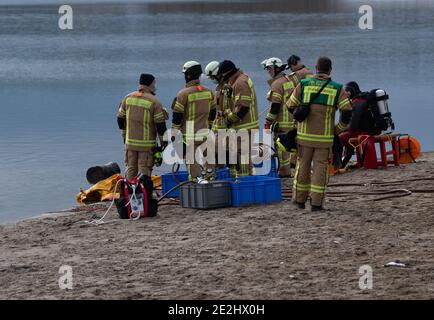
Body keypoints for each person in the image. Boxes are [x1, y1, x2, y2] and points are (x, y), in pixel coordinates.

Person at [288, 56, 352, 211]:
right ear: (330, 69)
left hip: (304, 137)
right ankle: (316, 204)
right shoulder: (337, 88)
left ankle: (299, 201)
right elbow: (347, 110)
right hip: (324, 138)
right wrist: (339, 128)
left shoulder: (304, 84)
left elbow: (290, 105)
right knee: (320, 170)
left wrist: (299, 122)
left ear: (316, 68)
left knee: (302, 167)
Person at [117, 73, 168, 179]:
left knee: (131, 168)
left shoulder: (128, 97)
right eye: (154, 83)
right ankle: (144, 194)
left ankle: (129, 193)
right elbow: (161, 126)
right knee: (144, 170)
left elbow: (120, 119)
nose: (155, 86)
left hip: (130, 143)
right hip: (146, 146)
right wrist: (164, 143)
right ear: (150, 84)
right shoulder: (154, 101)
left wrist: (124, 136)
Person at [172, 61, 216, 181]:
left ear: (188, 75)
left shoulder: (183, 94)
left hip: (189, 134)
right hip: (205, 131)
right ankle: (210, 181)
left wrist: (174, 133)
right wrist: (210, 126)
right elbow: (213, 113)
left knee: (191, 160)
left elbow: (177, 116)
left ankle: (196, 182)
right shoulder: (208, 92)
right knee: (209, 159)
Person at [216, 60, 259, 177]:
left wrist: (228, 119)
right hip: (244, 127)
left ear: (227, 73)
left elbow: (242, 108)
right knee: (242, 159)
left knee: (242, 158)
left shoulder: (240, 83)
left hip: (244, 128)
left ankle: (244, 185)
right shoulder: (241, 79)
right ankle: (246, 181)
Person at [261, 57, 297, 177]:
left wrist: (268, 121)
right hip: (291, 121)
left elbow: (275, 105)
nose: (268, 71)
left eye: (269, 69)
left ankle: (284, 174)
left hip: (281, 123)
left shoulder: (277, 84)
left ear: (277, 68)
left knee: (281, 151)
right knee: (287, 149)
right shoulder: (288, 80)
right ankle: (287, 172)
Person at [338, 81, 382, 168]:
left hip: (364, 132)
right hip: (372, 130)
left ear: (351, 91)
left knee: (339, 138)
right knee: (347, 135)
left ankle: (337, 163)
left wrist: (343, 129)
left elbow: (353, 125)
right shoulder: (363, 99)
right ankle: (343, 163)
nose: (346, 94)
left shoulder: (357, 101)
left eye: (347, 91)